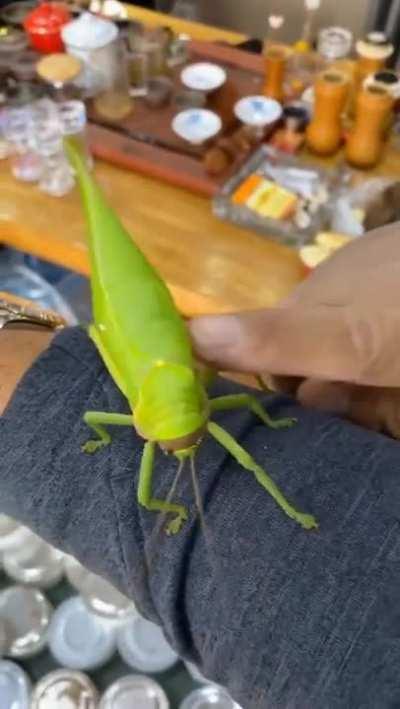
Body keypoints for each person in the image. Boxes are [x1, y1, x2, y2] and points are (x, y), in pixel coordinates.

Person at [1, 223, 400, 709]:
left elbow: (235, 413)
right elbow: (137, 476)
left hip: (153, 373)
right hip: (135, 363)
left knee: (245, 452)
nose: (186, 452)